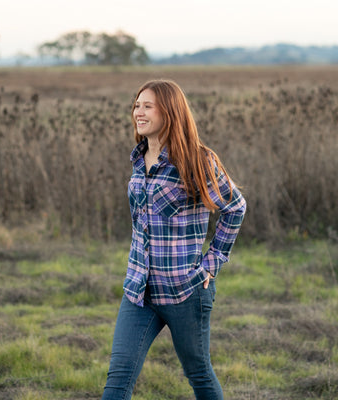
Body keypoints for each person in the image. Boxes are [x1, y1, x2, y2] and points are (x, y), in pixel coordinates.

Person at [102, 79, 246, 400]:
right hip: (139, 291)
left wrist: (212, 262)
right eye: (136, 105)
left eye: (147, 106)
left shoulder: (198, 160)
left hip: (186, 292)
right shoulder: (139, 160)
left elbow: (235, 207)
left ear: (169, 112)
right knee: (118, 377)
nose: (138, 112)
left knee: (199, 374)